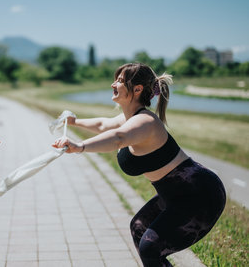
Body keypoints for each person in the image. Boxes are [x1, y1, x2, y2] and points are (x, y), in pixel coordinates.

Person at [52, 63, 226, 267]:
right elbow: (102, 125)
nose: (112, 84)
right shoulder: (128, 118)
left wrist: (79, 146)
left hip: (200, 195)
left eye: (119, 80)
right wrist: (73, 121)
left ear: (137, 89)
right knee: (139, 229)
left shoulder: (145, 122)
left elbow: (117, 138)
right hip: (176, 195)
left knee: (150, 247)